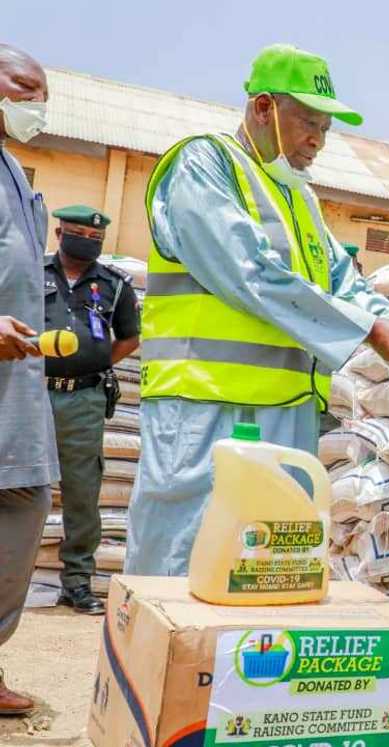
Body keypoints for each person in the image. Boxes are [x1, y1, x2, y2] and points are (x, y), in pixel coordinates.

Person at [126, 44, 389, 575]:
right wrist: (369, 330)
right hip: (204, 408)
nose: (317, 140)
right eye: (306, 122)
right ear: (262, 108)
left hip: (286, 415)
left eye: (325, 128)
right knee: (180, 566)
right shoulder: (203, 165)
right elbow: (248, 272)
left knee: (265, 569)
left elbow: (345, 283)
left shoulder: (300, 197)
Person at [43, 205, 139, 614]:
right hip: (29, 393)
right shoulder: (32, 273)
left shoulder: (115, 285)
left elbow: (129, 338)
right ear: (59, 231)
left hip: (83, 399)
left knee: (82, 492)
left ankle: (77, 582)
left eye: (96, 237)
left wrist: (93, 362)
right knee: (12, 486)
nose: (87, 240)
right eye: (78, 232)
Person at [0, 42, 52, 716]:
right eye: (23, 85)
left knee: (24, 508)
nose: (35, 103)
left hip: (16, 393)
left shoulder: (16, 173)